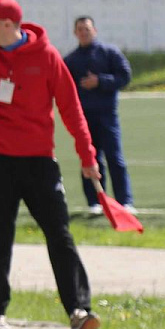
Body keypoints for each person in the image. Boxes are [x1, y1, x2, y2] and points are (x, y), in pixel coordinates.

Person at [0, 0, 102, 329]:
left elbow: (71, 109)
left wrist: (87, 155)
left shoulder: (47, 58)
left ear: (8, 25)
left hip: (40, 162)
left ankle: (79, 312)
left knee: (60, 235)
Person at [63, 16, 133, 214]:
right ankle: (94, 202)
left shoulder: (109, 53)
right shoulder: (71, 59)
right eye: (80, 29)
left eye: (87, 28)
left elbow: (125, 76)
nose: (84, 32)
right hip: (83, 118)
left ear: (95, 30)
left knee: (115, 157)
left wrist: (100, 81)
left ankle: (124, 201)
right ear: (75, 33)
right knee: (89, 159)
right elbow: (61, 85)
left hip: (107, 115)